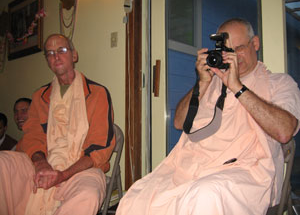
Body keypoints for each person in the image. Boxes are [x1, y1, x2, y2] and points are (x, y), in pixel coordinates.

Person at [116, 18, 300, 215]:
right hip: (190, 168)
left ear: (255, 44)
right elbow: (179, 122)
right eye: (226, 51)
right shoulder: (212, 83)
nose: (233, 57)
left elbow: (284, 131)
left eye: (238, 48)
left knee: (205, 195)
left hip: (244, 172)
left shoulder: (279, 82)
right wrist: (202, 83)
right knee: (136, 196)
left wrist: (237, 86)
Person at [0, 34, 115, 215]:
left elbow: (100, 148)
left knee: (88, 195)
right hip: (45, 160)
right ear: (47, 61)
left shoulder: (97, 93)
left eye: (61, 50)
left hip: (82, 168)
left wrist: (63, 174)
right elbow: (32, 136)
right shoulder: (40, 96)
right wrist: (41, 163)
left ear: (74, 55)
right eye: (50, 53)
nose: (56, 56)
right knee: (3, 163)